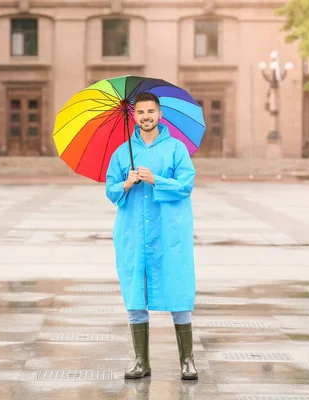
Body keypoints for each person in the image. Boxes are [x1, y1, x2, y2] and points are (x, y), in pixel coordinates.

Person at [105, 92, 198, 380]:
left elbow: (186, 184)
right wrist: (126, 183)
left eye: (151, 112)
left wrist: (157, 179)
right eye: (141, 112)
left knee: (178, 288)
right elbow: (110, 189)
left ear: (159, 114)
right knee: (135, 292)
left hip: (169, 233)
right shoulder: (122, 153)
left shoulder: (176, 148)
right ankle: (140, 361)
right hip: (134, 232)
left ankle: (187, 360)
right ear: (134, 116)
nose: (146, 117)